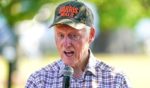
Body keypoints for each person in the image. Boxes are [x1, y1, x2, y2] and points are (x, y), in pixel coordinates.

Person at [26, 0, 130, 88]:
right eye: (61, 35)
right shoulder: (38, 81)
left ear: (91, 35)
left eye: (74, 36)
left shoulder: (116, 80)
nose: (66, 44)